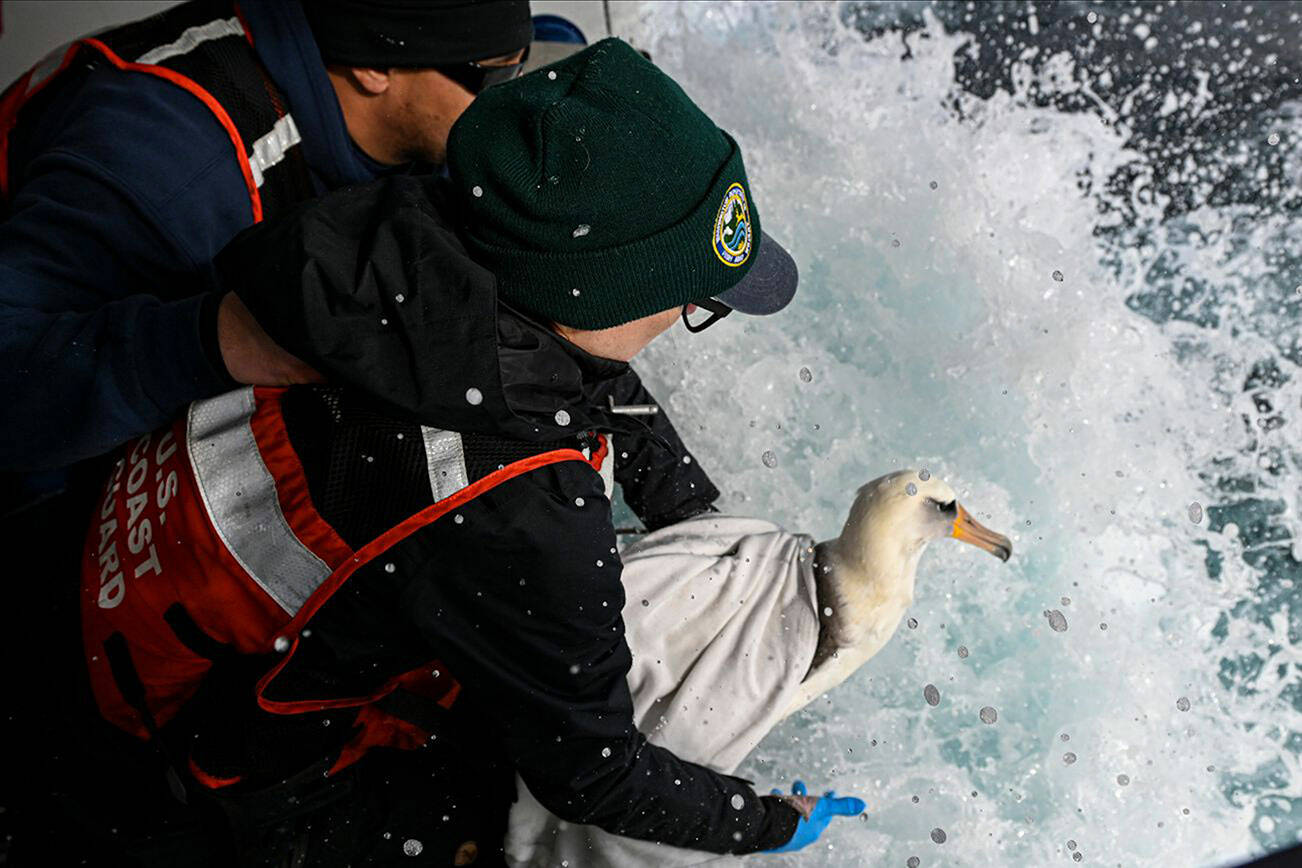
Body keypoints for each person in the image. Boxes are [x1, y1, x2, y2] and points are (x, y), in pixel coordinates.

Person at [73, 38, 866, 866]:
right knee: (501, 819)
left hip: (111, 587)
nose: (683, 319)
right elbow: (594, 775)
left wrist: (693, 513)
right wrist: (767, 819)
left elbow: (571, 376)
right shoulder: (519, 511)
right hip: (200, 763)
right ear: (603, 290)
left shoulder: (390, 239)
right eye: (693, 301)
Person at [0, 0, 580, 861]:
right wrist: (217, 339)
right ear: (377, 69)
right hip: (44, 512)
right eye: (491, 82)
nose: (507, 102)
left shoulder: (365, 73)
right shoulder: (170, 170)